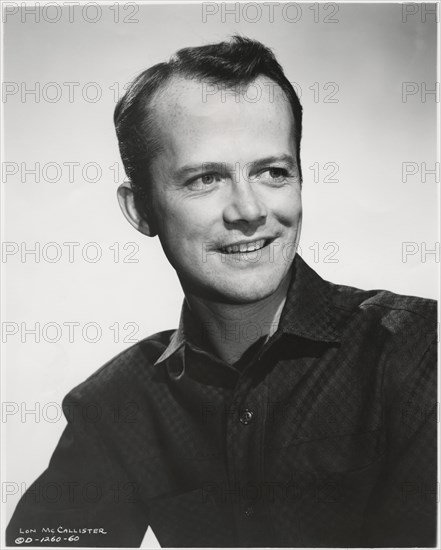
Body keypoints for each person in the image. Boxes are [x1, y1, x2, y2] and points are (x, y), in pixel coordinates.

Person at [6, 36, 437, 548]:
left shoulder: (419, 350)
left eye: (272, 172)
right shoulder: (118, 403)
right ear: (140, 209)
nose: (249, 210)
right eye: (206, 178)